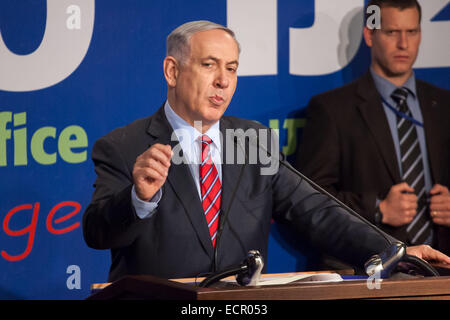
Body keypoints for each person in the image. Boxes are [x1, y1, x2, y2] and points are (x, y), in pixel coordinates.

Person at [83, 20, 450, 283]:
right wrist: (138, 199)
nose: (223, 81)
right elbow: (97, 233)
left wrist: (394, 250)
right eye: (209, 65)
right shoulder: (124, 146)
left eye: (231, 68)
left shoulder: (254, 140)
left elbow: (319, 212)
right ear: (172, 71)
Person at [296, 0, 450, 257]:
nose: (404, 44)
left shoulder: (445, 104)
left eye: (411, 32)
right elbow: (310, 201)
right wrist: (377, 208)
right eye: (391, 32)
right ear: (369, 35)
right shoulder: (332, 110)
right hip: (371, 269)